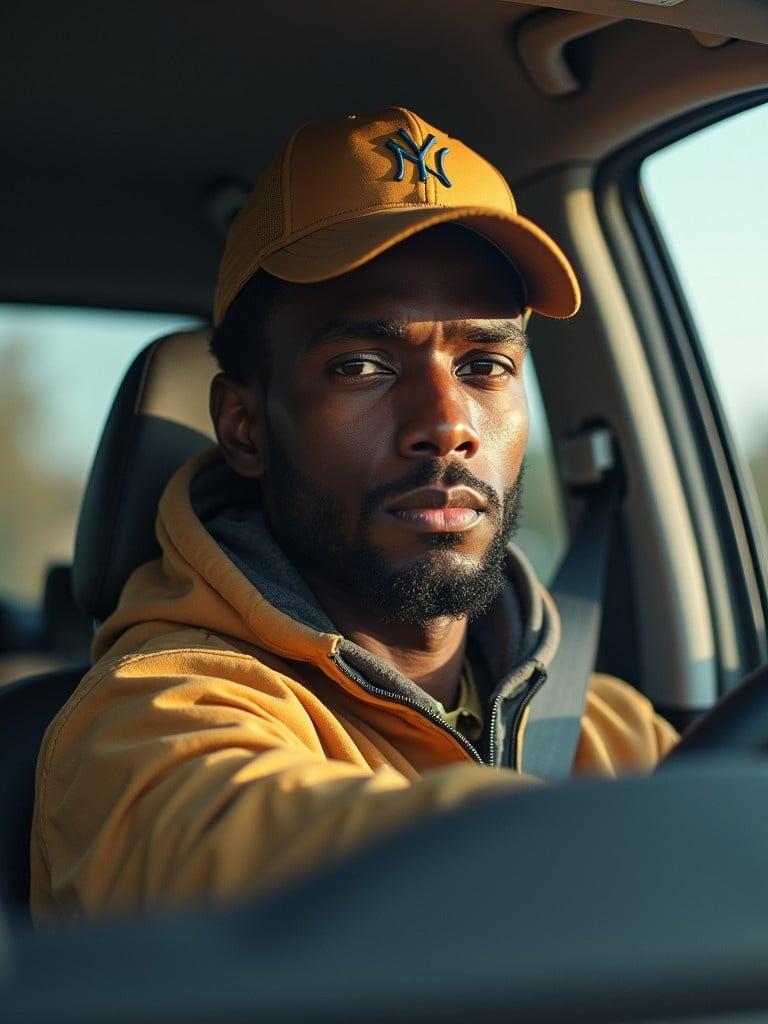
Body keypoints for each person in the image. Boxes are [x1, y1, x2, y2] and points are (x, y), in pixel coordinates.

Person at [31, 108, 678, 922]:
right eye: (363, 365)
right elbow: (251, 859)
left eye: (484, 363)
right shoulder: (148, 722)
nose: (446, 424)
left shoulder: (609, 726)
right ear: (244, 425)